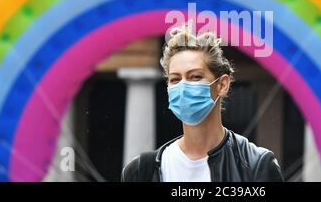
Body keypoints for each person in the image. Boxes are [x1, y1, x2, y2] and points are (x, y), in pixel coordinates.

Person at [121, 25, 284, 182]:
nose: (183, 87)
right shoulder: (141, 171)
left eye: (195, 77)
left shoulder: (257, 165)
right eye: (175, 79)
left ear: (222, 85)